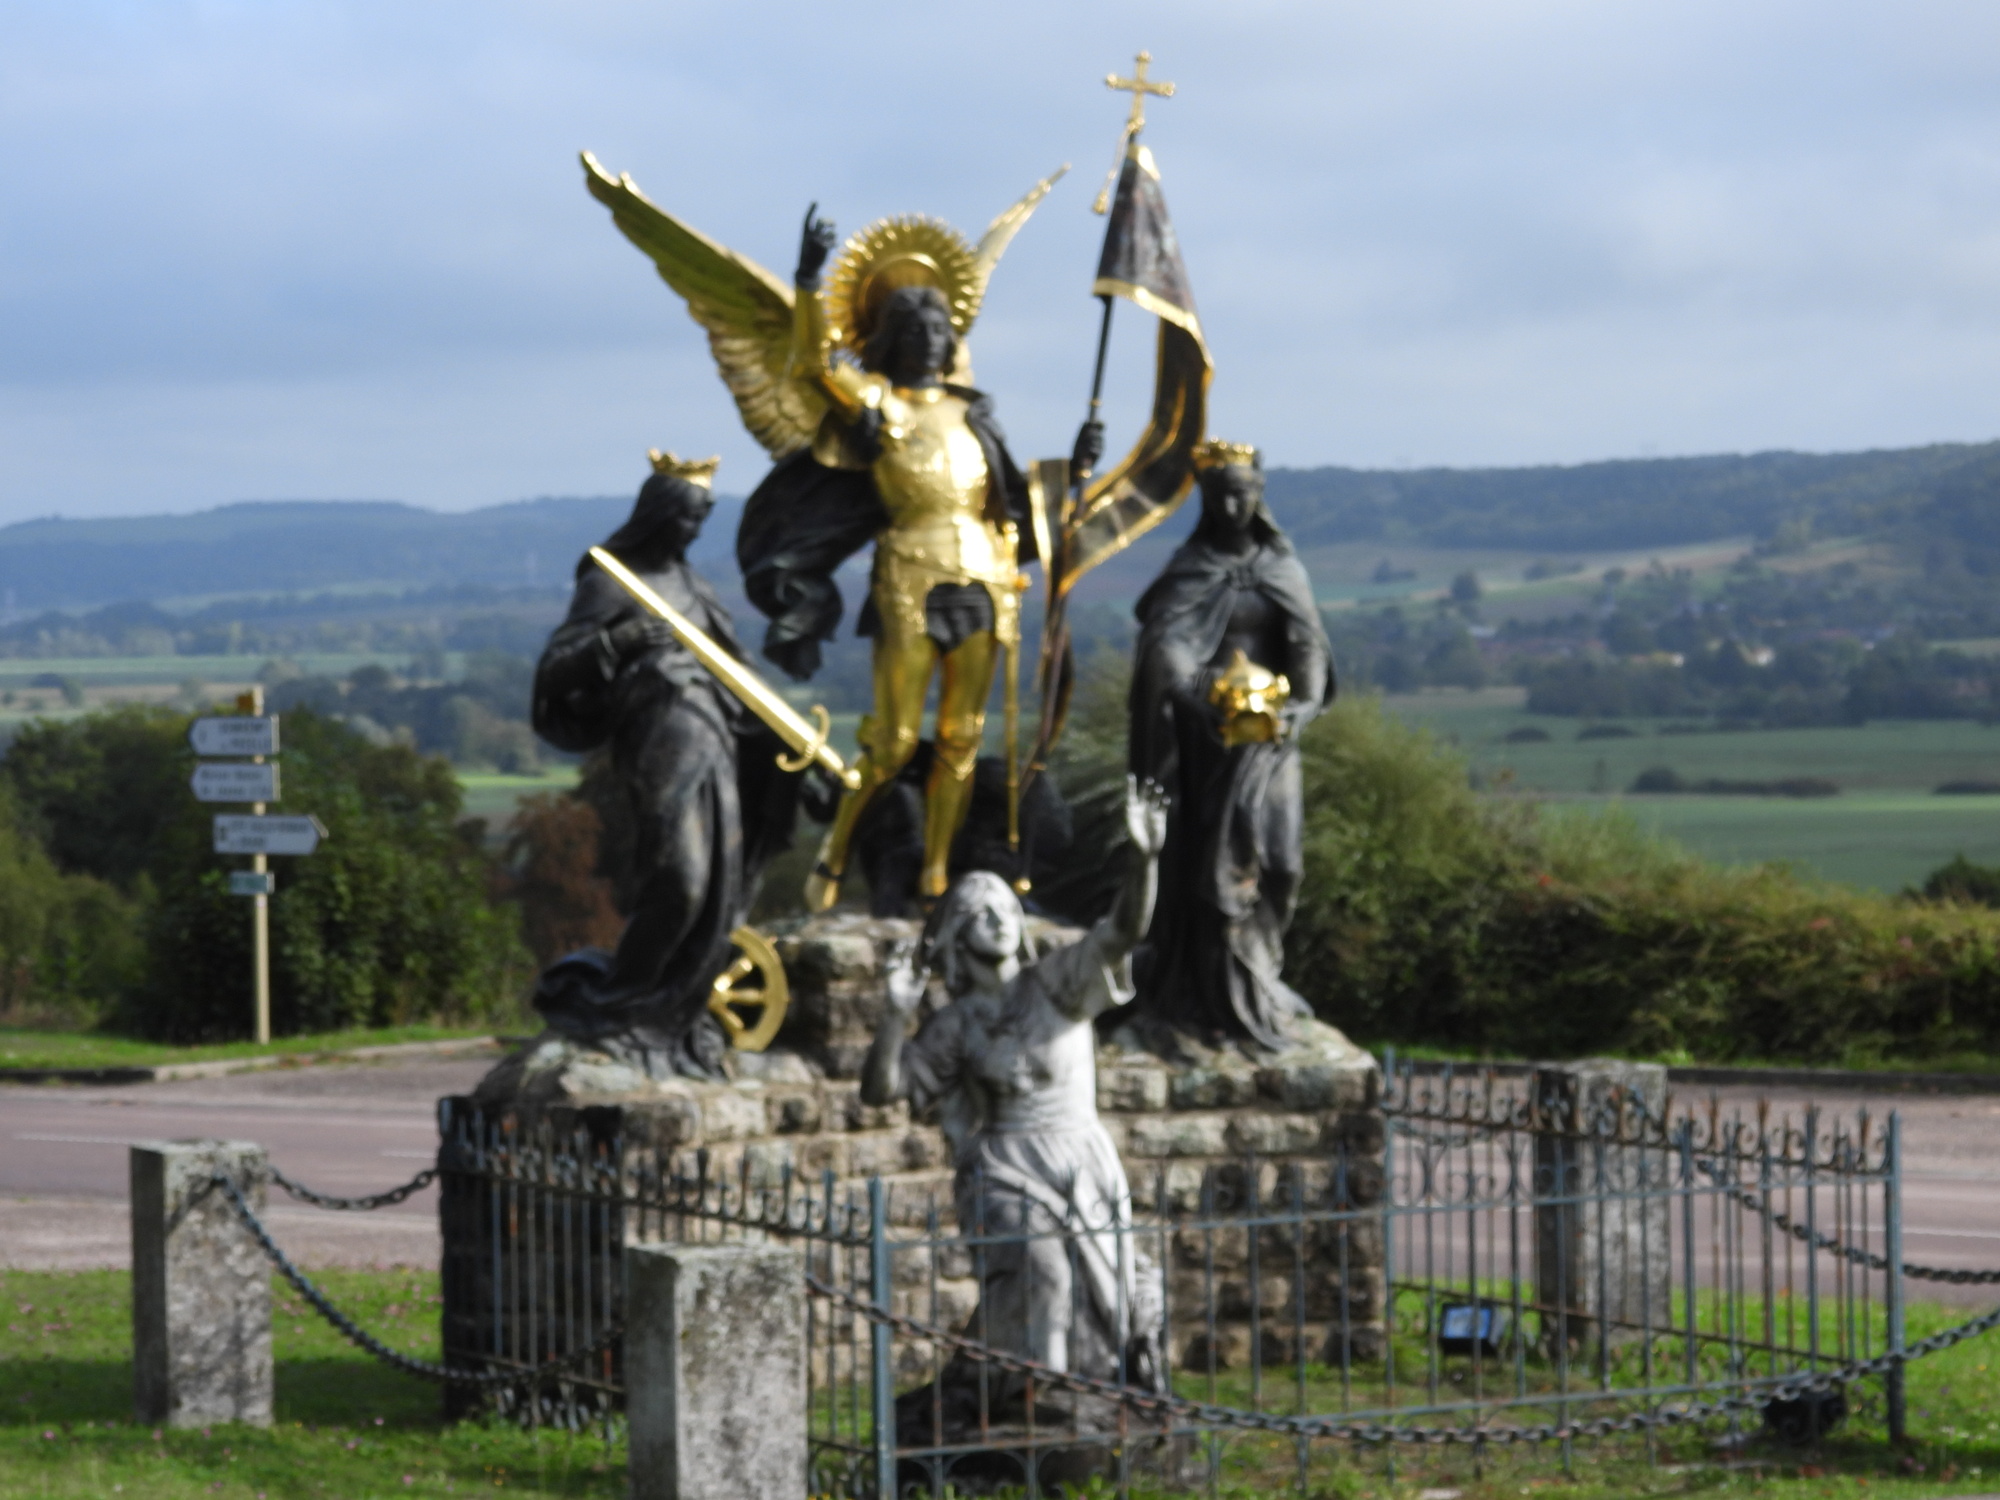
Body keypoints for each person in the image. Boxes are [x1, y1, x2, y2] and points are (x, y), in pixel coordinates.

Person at [861, 776, 1169, 1412]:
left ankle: (1077, 1397)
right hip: (1002, 1168)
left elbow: (1123, 931)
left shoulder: (1056, 984)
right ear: (956, 934)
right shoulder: (956, 1024)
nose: (1000, 920)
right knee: (1043, 1269)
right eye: (981, 912)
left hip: (1078, 1155)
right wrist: (893, 1016)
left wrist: (1144, 859)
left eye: (1006, 908)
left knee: (1107, 1296)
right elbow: (881, 1090)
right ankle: (1039, 1402)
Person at [528, 452, 801, 1078]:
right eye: (684, 520)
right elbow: (557, 668)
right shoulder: (612, 580)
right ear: (657, 514)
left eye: (700, 522)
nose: (691, 533)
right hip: (659, 744)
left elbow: (739, 675)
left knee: (719, 887)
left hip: (715, 744)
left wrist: (791, 741)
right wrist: (617, 641)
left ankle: (674, 1007)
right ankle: (624, 1000)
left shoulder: (693, 587)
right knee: (680, 878)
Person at [1127, 440, 1336, 1052]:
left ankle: (1260, 973)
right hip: (1207, 743)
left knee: (1281, 864)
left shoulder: (1282, 570)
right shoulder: (1192, 567)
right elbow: (1166, 645)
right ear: (1207, 500)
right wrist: (1197, 694)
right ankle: (1208, 992)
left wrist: (1299, 707)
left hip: (1271, 744)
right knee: (1209, 870)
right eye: (1221, 494)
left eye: (1243, 493)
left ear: (1259, 495)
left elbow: (1307, 646)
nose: (1232, 504)